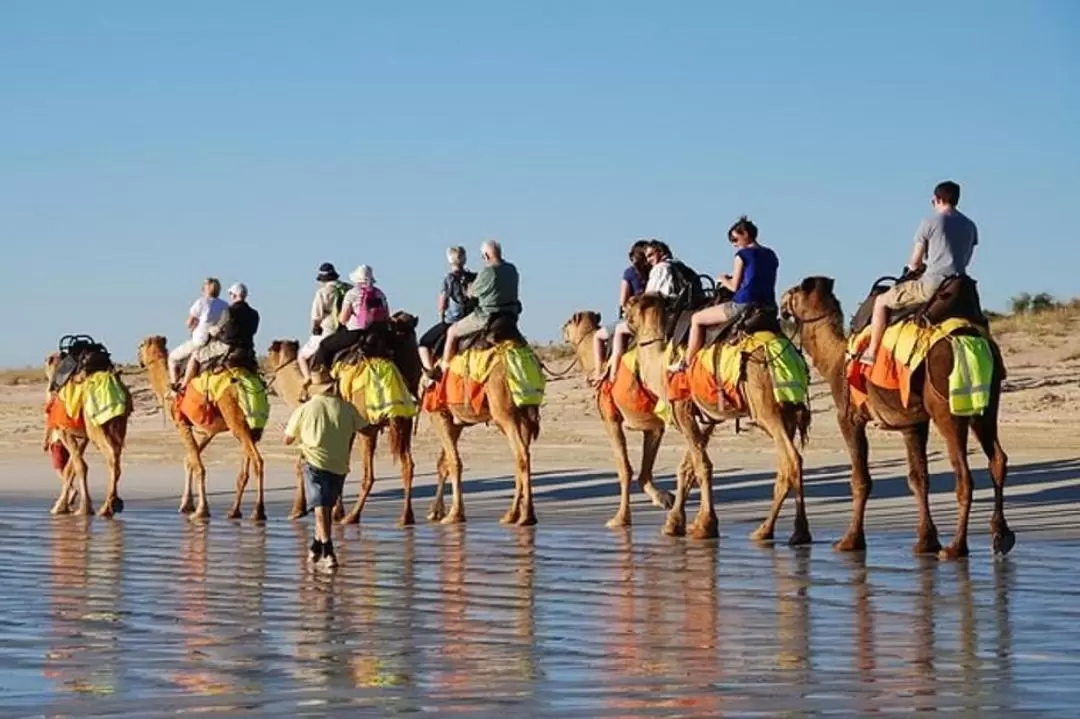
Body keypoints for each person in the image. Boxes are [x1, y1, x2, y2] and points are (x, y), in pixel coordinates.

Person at [861, 180, 978, 364]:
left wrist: (914, 268)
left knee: (881, 302)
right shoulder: (970, 225)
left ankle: (872, 351)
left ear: (937, 199)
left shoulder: (930, 221)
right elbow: (967, 259)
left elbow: (915, 262)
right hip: (961, 286)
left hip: (932, 285)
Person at [283, 367, 367, 571]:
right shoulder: (347, 408)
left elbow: (287, 440)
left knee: (321, 511)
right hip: (339, 465)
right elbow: (365, 428)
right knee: (325, 508)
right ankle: (315, 545)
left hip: (314, 463)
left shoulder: (304, 409)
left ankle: (328, 550)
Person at [673, 216, 778, 371]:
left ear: (745, 235)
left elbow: (734, 287)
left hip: (743, 304)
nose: (734, 244)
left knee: (697, 319)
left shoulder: (742, 255)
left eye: (735, 239)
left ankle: (687, 363)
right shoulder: (771, 254)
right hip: (768, 305)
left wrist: (723, 279)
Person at [603, 240, 678, 383]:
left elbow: (648, 297)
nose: (649, 260)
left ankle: (612, 376)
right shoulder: (677, 265)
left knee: (615, 332)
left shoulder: (657, 269)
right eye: (647, 256)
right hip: (676, 310)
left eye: (651, 255)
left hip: (654, 315)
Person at [439, 240, 520, 371]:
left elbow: (472, 293)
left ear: (487, 256)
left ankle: (445, 369)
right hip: (510, 315)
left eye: (483, 256)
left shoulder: (488, 271)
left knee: (452, 332)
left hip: (486, 317)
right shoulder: (512, 269)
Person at [588, 240, 650, 385]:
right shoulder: (654, 270)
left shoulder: (630, 273)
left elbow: (623, 301)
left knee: (598, 336)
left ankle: (599, 371)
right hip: (652, 316)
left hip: (634, 317)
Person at [179, 282, 260, 390]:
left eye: (231, 294)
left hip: (227, 347)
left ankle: (183, 386)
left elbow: (216, 330)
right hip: (247, 349)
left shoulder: (229, 311)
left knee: (195, 356)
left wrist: (209, 332)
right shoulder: (254, 314)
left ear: (234, 295)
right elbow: (253, 331)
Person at [310, 264, 390, 371]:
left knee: (325, 346)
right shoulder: (380, 294)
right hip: (379, 333)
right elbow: (387, 314)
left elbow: (343, 319)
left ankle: (324, 376)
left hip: (356, 333)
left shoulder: (353, 294)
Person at [418, 246, 477, 381]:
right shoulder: (474, 277)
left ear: (449, 260)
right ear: (465, 259)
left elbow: (442, 302)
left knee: (423, 343)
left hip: (453, 320)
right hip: (473, 319)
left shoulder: (448, 279)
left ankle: (431, 372)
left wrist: (442, 314)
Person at [297, 262, 352, 385]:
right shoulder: (349, 288)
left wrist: (315, 327)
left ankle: (308, 379)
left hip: (329, 330)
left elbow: (316, 316)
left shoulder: (322, 292)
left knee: (301, 356)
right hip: (349, 330)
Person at [168, 278, 228, 387]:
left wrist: (193, 325)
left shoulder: (201, 302)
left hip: (200, 340)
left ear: (205, 289)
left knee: (172, 358)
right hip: (217, 342)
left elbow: (189, 322)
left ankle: (175, 387)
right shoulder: (225, 305)